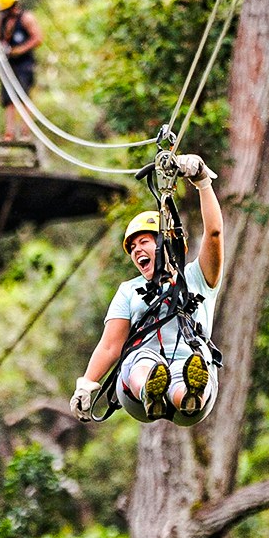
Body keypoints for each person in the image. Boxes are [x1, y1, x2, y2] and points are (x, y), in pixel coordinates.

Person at [70, 153, 224, 425]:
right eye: (132, 247)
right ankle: (152, 390)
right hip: (136, 385)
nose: (136, 250)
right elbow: (110, 347)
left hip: (190, 367)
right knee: (143, 358)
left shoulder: (198, 278)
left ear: (167, 242)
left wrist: (202, 182)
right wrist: (86, 384)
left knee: (189, 369)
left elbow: (214, 234)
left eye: (144, 242)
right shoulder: (129, 290)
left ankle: (188, 394)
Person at [0, 0, 43, 142]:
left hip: (24, 65)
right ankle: (9, 133)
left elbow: (38, 38)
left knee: (23, 97)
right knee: (9, 99)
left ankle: (25, 132)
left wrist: (20, 50)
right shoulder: (2, 21)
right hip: (8, 66)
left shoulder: (26, 18)